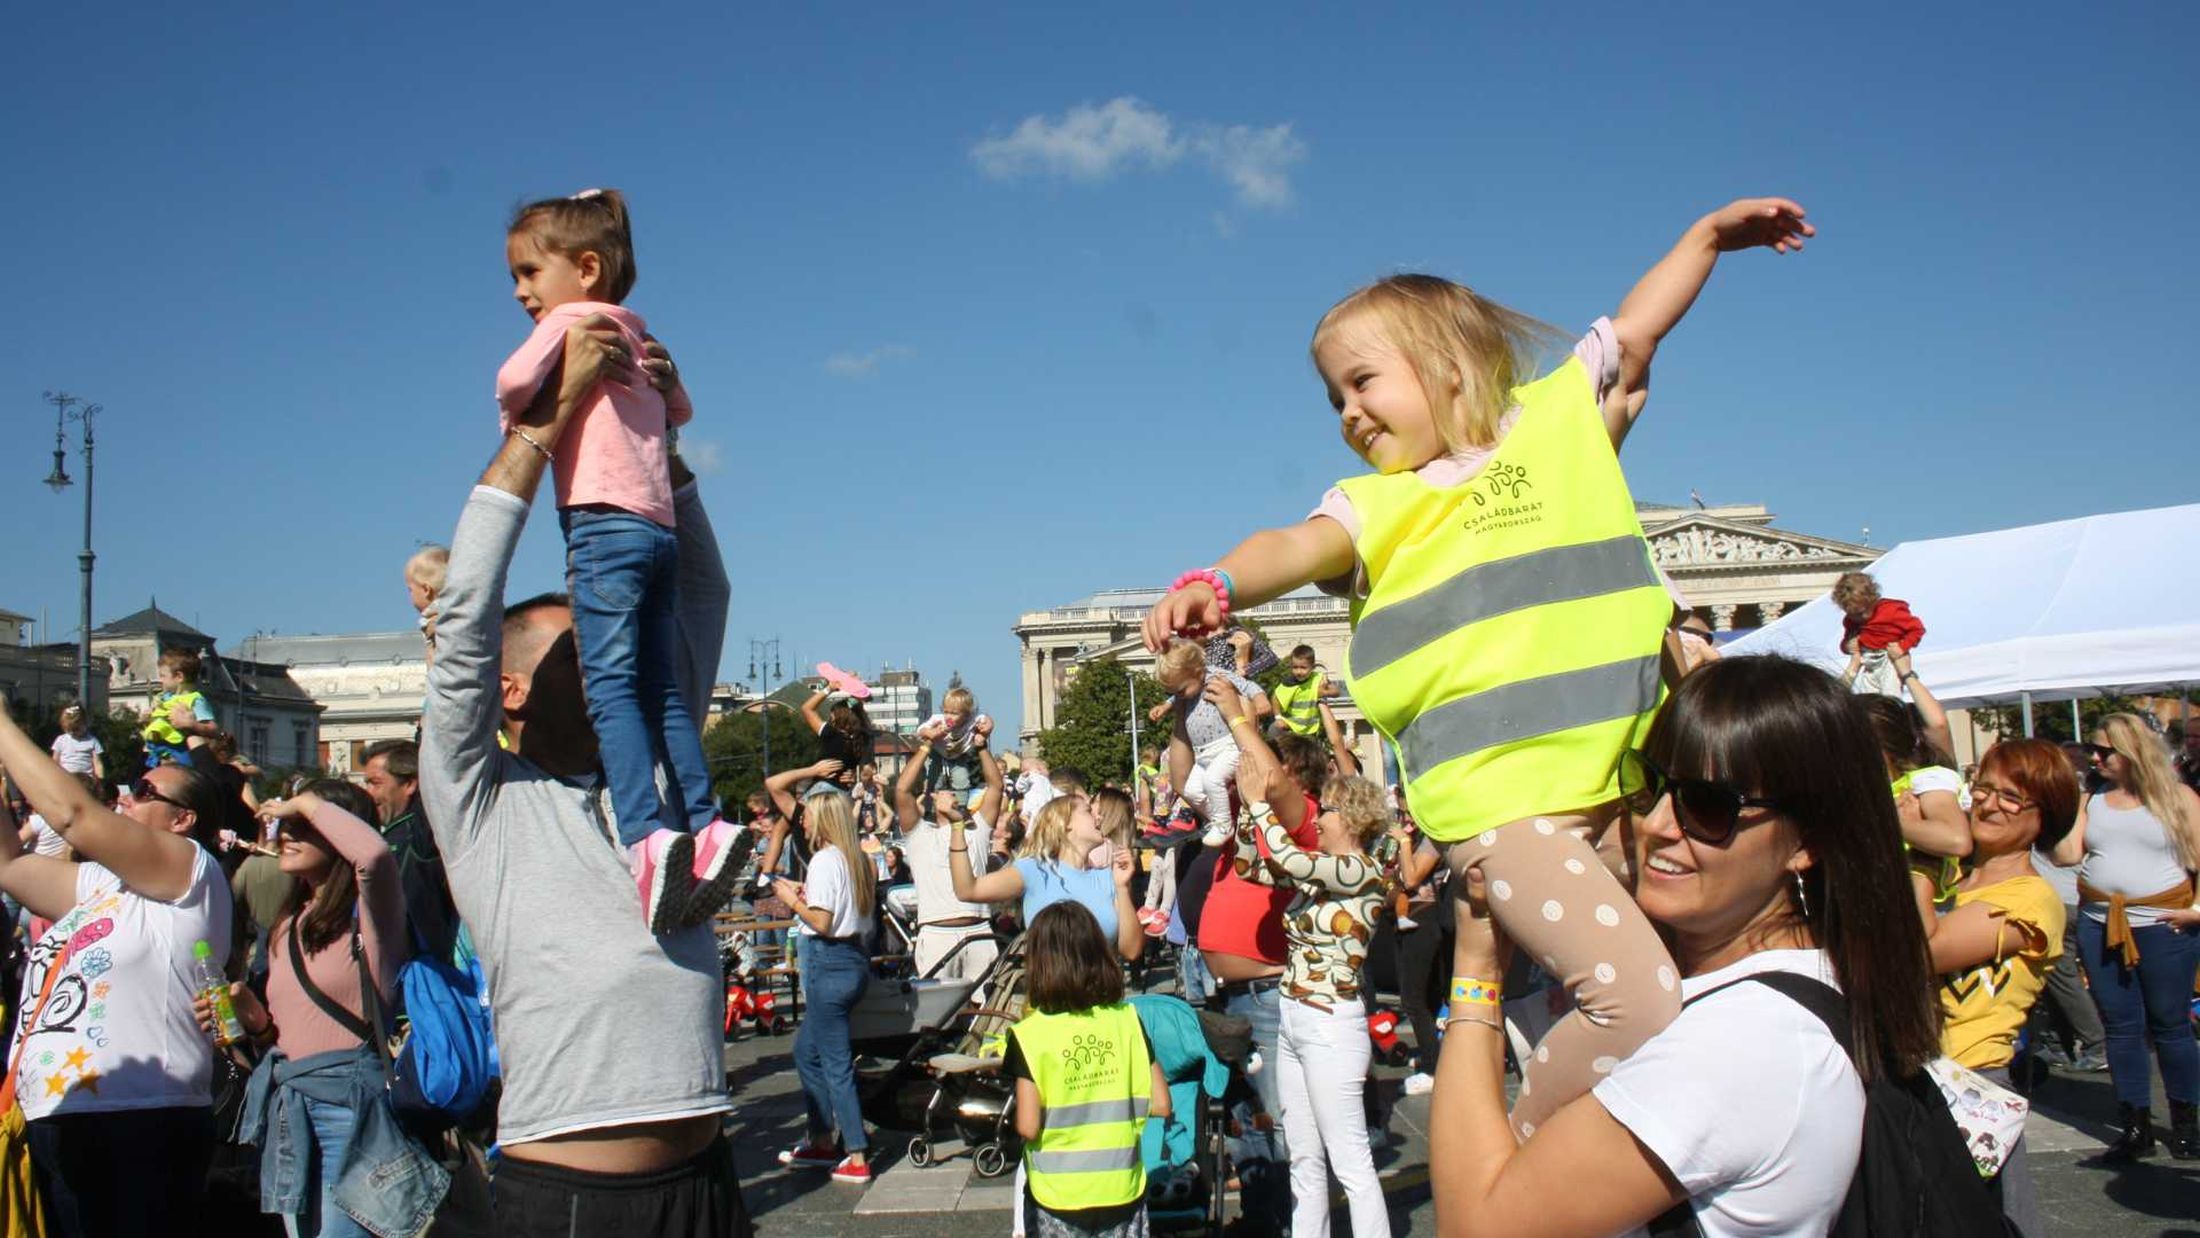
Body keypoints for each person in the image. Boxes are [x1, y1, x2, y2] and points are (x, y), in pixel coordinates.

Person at [1145, 198, 1814, 1140]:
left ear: (1450, 365)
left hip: (1626, 783)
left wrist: (1705, 240)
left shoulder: (1556, 424)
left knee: (1742, 957)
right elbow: (1290, 544)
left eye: (1363, 382)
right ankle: (1531, 1154)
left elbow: (1637, 325)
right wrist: (1219, 580)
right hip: (1501, 808)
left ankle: (1625, 1094)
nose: (1348, 413)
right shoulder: (1374, 505)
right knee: (1640, 1002)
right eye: (1334, 398)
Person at [420, 318, 752, 1236]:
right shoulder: (479, 796)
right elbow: (469, 608)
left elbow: (700, 593)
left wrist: (659, 442)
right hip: (576, 1198)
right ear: (511, 685)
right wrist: (547, 421)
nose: (615, 643)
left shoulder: (646, 764)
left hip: (709, 1178)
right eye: (586, 639)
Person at [1428, 654, 1940, 1237]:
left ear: (1808, 840)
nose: (1658, 825)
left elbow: (1473, 1229)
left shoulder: (1742, 1044)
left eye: (1708, 806)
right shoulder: (1798, 987)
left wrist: (1476, 977)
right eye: (1650, 785)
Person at [495, 186, 734, 933]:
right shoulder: (638, 332)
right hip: (660, 527)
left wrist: (531, 406)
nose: (521, 291)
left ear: (586, 268)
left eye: (531, 272)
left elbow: (509, 387)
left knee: (611, 692)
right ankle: (708, 823)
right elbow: (681, 410)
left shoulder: (573, 322)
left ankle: (645, 833)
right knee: (662, 688)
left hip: (601, 527)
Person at [0, 706, 236, 1236]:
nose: (127, 795)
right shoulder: (102, 885)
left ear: (183, 820)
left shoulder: (190, 868)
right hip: (59, 1117)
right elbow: (8, 865)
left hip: (141, 1119)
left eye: (147, 792)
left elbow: (74, 816)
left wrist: (2, 726)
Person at [201, 780, 444, 1238]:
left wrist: (307, 801)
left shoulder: (369, 914)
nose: (287, 834)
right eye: (285, 824)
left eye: (303, 825)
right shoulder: (287, 925)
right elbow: (287, 1033)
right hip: (289, 1107)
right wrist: (253, 1023)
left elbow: (373, 855)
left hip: (350, 1109)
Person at [1227, 715, 1393, 1238]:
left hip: (1330, 1022)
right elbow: (1253, 865)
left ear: (1353, 819)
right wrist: (1246, 804)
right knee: (1303, 1153)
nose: (1318, 818)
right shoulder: (1320, 868)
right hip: (1297, 1015)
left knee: (1350, 1158)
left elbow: (1291, 861)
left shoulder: (1361, 871)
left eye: (1329, 811)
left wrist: (1261, 806)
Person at [1920, 738, 2078, 1237]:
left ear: (2044, 815)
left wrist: (1921, 858)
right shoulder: (1954, 879)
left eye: (2012, 797)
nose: (1989, 803)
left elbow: (1927, 950)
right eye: (1983, 788)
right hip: (1908, 1076)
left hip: (1970, 1084)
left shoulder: (2033, 899)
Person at [2050, 712, 2200, 1162]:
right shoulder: (2092, 798)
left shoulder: (2178, 798)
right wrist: (2067, 808)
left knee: (2170, 1025)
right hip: (2101, 923)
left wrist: (2195, 912)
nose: (2094, 757)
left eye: (2103, 750)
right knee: (2120, 1026)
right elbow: (2065, 855)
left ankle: (2187, 1123)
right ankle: (2134, 1124)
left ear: (2130, 751)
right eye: (2093, 750)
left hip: (2162, 925)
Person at [1006, 902, 1170, 1238]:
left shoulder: (1030, 1035)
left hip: (1057, 1192)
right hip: (1121, 1185)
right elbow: (1162, 1103)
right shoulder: (1126, 1021)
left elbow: (1027, 1125)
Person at [771, 787, 878, 1184]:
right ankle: (820, 1138)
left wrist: (790, 898)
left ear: (824, 820)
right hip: (853, 959)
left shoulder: (822, 861)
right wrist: (807, 898)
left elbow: (820, 922)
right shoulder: (857, 861)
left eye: (809, 815)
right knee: (806, 1051)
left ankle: (855, 1151)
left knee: (834, 1063)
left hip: (828, 961)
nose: (804, 821)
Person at [950, 790, 1142, 963]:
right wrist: (957, 826)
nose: (1098, 816)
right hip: (1050, 998)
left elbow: (1131, 951)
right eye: (1087, 811)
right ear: (1066, 824)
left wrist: (1123, 887)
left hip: (1103, 996)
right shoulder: (1034, 870)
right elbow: (967, 890)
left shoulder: (1109, 878)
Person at [1860, 683, 1973, 927]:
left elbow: (1956, 839)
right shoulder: (1865, 790)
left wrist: (1887, 821)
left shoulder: (1926, 780)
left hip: (1923, 913)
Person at [2025, 743, 2108, 1073]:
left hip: (2062, 897)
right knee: (2054, 975)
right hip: (2067, 895)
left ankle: (2096, 1042)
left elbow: (2068, 852)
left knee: (2062, 975)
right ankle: (2061, 1042)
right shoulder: (2078, 795)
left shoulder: (2068, 798)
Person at [896, 733, 1004, 982]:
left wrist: (982, 746)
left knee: (983, 1013)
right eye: (946, 790)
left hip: (979, 930)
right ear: (933, 796)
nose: (954, 793)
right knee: (939, 1014)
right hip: (936, 934)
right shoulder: (921, 834)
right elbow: (902, 790)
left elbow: (995, 787)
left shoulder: (976, 829)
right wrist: (926, 746)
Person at [1156, 639, 1267, 848]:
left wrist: (1260, 699)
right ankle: (1220, 819)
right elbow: (1175, 697)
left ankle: (1224, 825)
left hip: (1227, 747)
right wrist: (1165, 706)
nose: (1178, 696)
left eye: (1180, 691)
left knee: (1212, 780)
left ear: (1198, 672)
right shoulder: (1185, 691)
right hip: (1203, 754)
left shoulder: (1217, 676)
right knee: (1190, 790)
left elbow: (1247, 685)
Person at [1833, 571, 1926, 697]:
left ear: (1872, 601)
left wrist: (1903, 647)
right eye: (1851, 614)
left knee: (1890, 695)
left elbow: (1917, 629)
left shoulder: (1891, 611)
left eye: (1861, 613)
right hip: (1868, 661)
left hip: (1889, 658)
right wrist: (1847, 646)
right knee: (1869, 699)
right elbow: (1847, 642)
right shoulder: (1850, 620)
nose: (1857, 618)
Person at [142, 646, 220, 768]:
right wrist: (147, 720)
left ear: (179, 676)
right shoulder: (163, 698)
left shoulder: (195, 699)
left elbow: (214, 729)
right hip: (156, 754)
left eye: (163, 675)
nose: (160, 680)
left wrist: (192, 725)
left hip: (180, 753)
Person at [919, 686, 993, 793]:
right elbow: (920, 730)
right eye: (946, 712)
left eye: (954, 713)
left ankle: (961, 803)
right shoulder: (938, 720)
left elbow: (986, 720)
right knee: (935, 779)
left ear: (966, 715)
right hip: (939, 753)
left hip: (958, 755)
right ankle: (931, 798)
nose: (948, 716)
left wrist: (987, 729)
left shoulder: (971, 720)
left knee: (962, 780)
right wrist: (931, 733)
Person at [1267, 644, 1338, 740]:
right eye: (1295, 667)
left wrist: (1324, 693)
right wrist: (1278, 718)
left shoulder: (1318, 679)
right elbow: (1275, 698)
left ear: (1312, 667)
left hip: (1309, 728)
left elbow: (1336, 691)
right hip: (1290, 725)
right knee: (1274, 729)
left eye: (1303, 668)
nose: (1299, 672)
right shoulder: (1289, 683)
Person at [405, 544, 449, 658]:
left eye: (411, 590)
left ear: (426, 590)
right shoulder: (455, 608)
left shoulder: (438, 619)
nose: (409, 595)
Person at [47, 704, 104, 782]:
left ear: (85, 723)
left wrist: (100, 779)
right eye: (69, 730)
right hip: (66, 778)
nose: (73, 732)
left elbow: (97, 763)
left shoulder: (92, 741)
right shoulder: (61, 740)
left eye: (76, 729)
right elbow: (55, 761)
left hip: (86, 780)